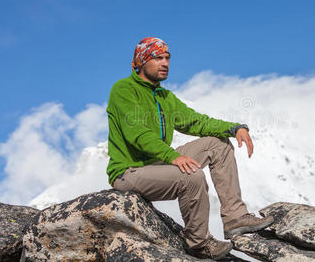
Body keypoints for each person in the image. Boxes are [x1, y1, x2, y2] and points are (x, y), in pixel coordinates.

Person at [106, 37, 273, 259]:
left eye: (167, 58)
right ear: (141, 62)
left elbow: (196, 122)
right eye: (157, 58)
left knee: (217, 144)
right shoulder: (123, 89)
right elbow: (137, 134)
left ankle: (235, 218)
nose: (164, 63)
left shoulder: (164, 96)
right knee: (191, 176)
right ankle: (200, 244)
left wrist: (234, 128)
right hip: (129, 172)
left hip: (157, 164)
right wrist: (172, 156)